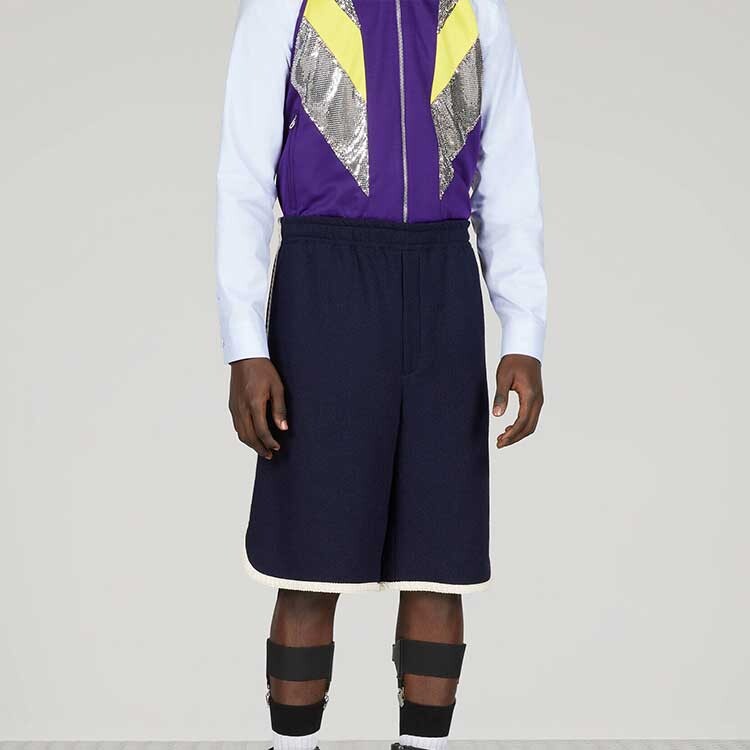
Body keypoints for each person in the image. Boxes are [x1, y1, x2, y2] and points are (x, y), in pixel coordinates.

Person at [216, 0, 547, 748]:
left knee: (440, 562)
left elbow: (510, 174)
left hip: (442, 281)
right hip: (324, 283)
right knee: (310, 563)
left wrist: (523, 329)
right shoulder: (285, 5)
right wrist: (245, 344)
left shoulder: (474, 9)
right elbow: (243, 175)